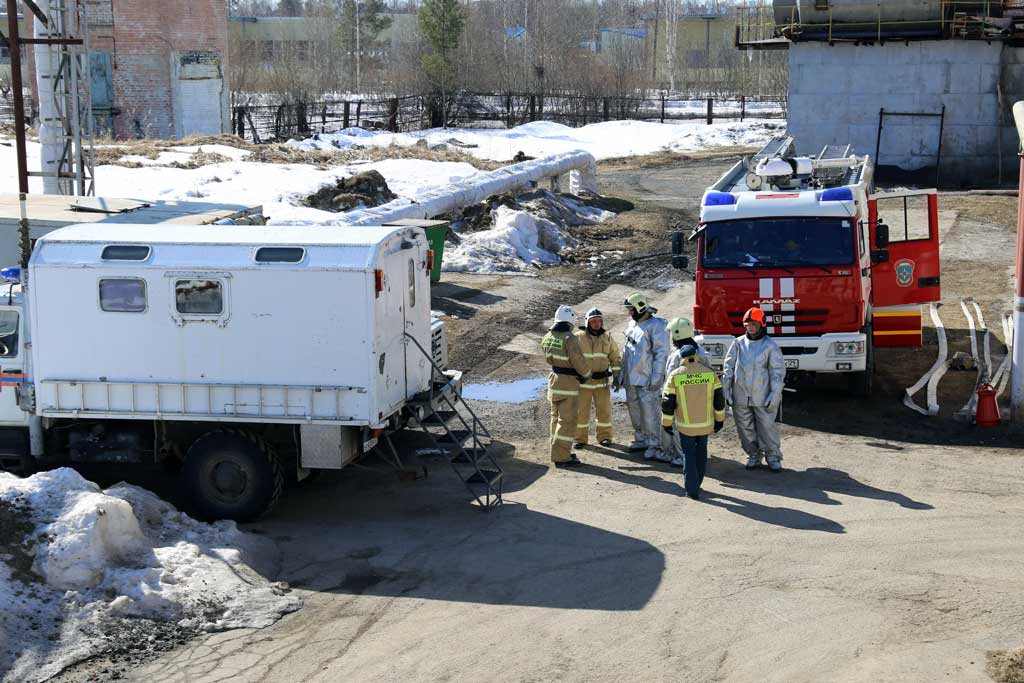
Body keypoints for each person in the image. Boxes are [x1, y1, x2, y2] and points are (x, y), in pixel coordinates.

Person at [722, 307, 786, 472]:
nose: (750, 328)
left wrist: (775, 393)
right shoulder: (738, 343)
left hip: (762, 395)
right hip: (740, 395)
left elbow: (777, 372)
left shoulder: (770, 346)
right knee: (744, 427)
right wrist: (726, 390)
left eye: (754, 325)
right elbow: (728, 368)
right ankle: (753, 454)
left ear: (762, 325)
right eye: (748, 325)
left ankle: (772, 456)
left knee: (766, 426)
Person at [661, 344, 725, 499]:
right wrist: (719, 420)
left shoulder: (675, 375)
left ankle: (692, 489)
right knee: (701, 452)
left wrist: (666, 423)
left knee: (688, 455)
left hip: (686, 426)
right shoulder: (710, 373)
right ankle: (698, 482)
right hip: (705, 424)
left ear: (682, 358)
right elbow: (719, 400)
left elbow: (667, 403)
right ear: (696, 355)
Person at [619, 292, 670, 462]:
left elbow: (661, 354)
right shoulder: (632, 325)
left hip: (647, 378)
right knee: (634, 409)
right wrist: (621, 375)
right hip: (631, 378)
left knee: (650, 412)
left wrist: (657, 378)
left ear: (640, 307)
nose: (629, 313)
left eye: (631, 309)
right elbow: (626, 352)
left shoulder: (657, 325)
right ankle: (641, 438)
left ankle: (654, 444)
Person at [541, 305, 592, 468]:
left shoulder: (548, 336)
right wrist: (586, 375)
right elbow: (578, 361)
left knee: (555, 420)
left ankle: (557, 451)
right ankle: (562, 457)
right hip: (568, 384)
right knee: (567, 422)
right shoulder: (569, 339)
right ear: (570, 321)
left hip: (554, 381)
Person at [575, 308, 622, 448]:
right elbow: (572, 358)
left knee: (604, 411)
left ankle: (605, 436)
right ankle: (579, 439)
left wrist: (617, 376)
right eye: (593, 321)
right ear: (587, 322)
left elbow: (615, 358)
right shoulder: (578, 337)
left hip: (601, 382)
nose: (596, 324)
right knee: (581, 412)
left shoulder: (607, 338)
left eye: (599, 321)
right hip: (583, 382)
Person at [664, 317, 707, 467]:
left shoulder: (677, 354)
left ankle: (682, 456)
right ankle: (696, 454)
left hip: (680, 398)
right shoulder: (701, 350)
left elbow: (670, 376)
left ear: (677, 334)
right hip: (700, 398)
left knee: (678, 426)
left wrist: (666, 397)